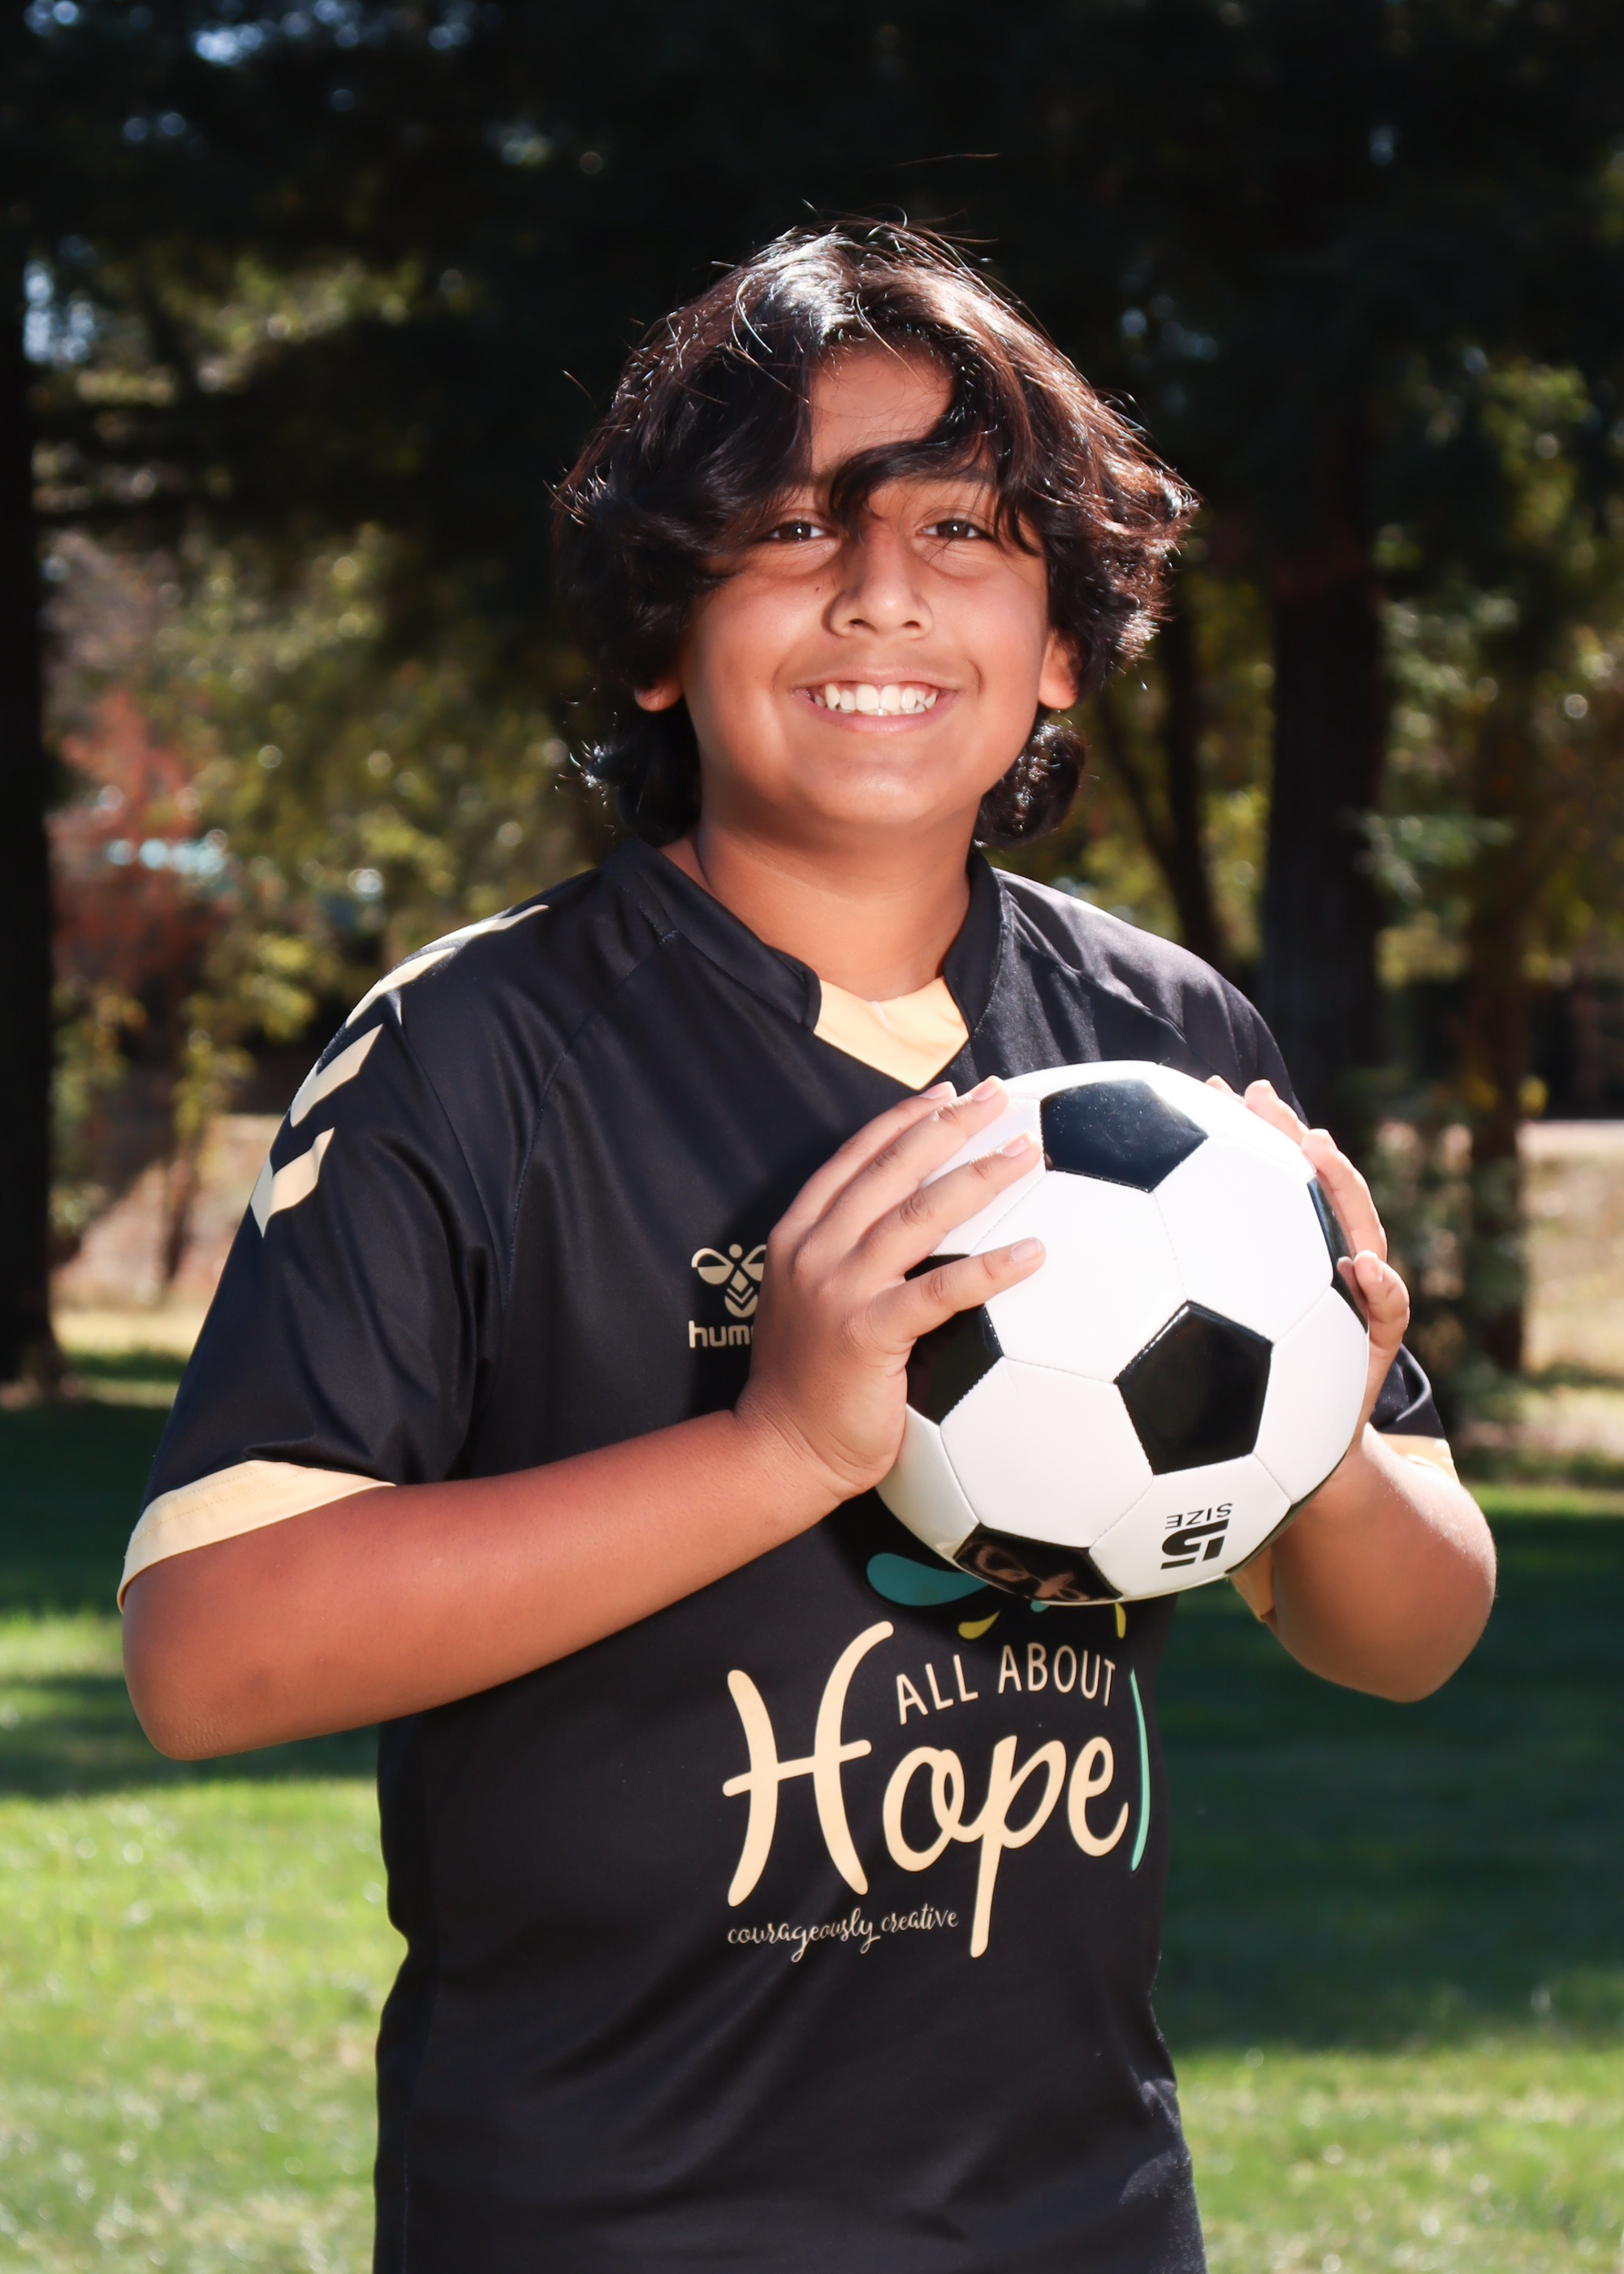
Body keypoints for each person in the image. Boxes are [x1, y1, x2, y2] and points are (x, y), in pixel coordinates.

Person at [121, 224, 1496, 2272]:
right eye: (786, 528)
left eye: (962, 529)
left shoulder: (1171, 1052)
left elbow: (1413, 1629)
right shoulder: (474, 1051)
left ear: (1061, 642)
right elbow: (207, 1651)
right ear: (656, 636)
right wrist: (776, 1448)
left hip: (1075, 2220)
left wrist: (1321, 1432)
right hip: (598, 2222)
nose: (878, 590)